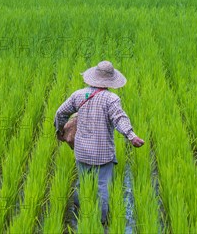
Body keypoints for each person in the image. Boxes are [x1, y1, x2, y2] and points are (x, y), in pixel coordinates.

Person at [54, 60, 145, 225]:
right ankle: (102, 222)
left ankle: (79, 211)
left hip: (81, 151)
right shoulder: (111, 99)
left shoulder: (79, 95)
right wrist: (131, 136)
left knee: (83, 182)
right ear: (110, 80)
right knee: (103, 187)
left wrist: (60, 130)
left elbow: (60, 113)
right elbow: (119, 118)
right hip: (102, 154)